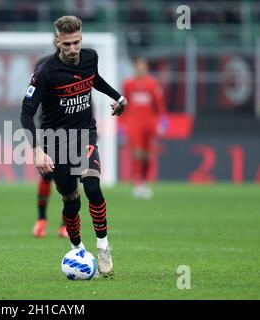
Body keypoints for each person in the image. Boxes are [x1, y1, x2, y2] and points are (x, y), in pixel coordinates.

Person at [20, 15, 127, 277]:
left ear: (81, 39)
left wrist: (119, 98)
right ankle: (77, 248)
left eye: (76, 42)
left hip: (85, 135)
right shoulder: (45, 72)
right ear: (58, 42)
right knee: (71, 201)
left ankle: (102, 245)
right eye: (66, 44)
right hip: (56, 143)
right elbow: (26, 112)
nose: (72, 49)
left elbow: (94, 79)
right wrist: (36, 149)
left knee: (92, 186)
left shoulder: (90, 57)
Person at [32, 55, 68, 239]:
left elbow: (86, 98)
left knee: (71, 177)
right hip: (50, 127)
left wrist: (90, 124)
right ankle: (41, 220)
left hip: (74, 128)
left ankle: (65, 225)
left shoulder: (79, 64)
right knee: (47, 174)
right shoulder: (43, 65)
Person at [121, 57, 168, 199]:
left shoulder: (152, 84)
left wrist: (164, 121)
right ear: (135, 68)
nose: (141, 69)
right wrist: (122, 124)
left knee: (147, 156)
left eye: (143, 67)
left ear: (146, 68)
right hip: (134, 124)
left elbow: (159, 105)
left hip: (149, 123)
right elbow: (123, 103)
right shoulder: (128, 84)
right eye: (138, 67)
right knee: (138, 154)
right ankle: (137, 184)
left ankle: (145, 182)